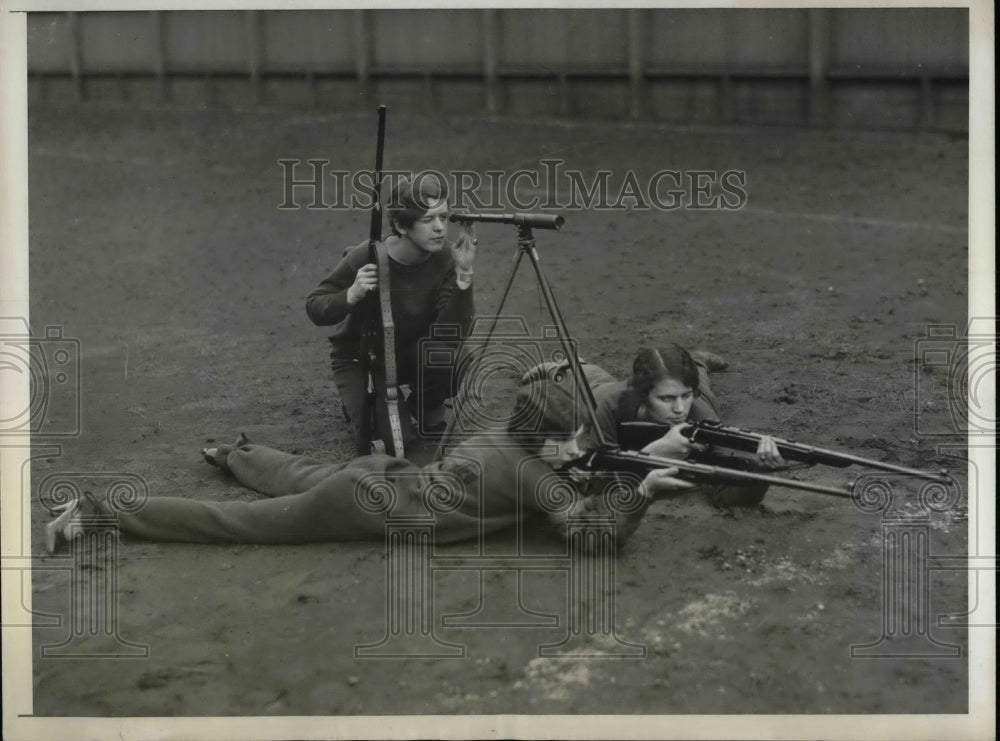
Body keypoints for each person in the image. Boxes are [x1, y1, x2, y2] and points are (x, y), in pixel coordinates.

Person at [43, 375, 694, 554]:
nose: (581, 449)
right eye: (573, 440)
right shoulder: (536, 476)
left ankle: (234, 450)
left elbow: (572, 466)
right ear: (546, 440)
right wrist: (645, 490)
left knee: (297, 473)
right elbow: (591, 533)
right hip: (375, 502)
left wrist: (634, 462)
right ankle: (102, 509)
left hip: (383, 476)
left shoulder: (510, 430)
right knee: (240, 526)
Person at [305, 174, 476, 455]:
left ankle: (426, 405)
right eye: (427, 220)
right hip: (363, 358)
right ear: (400, 224)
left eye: (444, 218)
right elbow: (315, 305)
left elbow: (453, 333)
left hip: (409, 351)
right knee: (390, 444)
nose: (439, 228)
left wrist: (464, 275)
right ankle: (362, 405)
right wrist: (351, 294)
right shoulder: (368, 255)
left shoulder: (447, 258)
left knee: (458, 354)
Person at [536, 344, 784, 507]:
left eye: (685, 396)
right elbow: (599, 486)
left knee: (701, 382)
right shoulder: (611, 406)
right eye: (666, 399)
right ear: (643, 396)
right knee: (587, 380)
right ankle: (568, 365)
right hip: (598, 389)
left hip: (698, 395)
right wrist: (654, 453)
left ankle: (698, 361)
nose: (679, 409)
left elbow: (724, 495)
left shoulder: (700, 412)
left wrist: (760, 474)